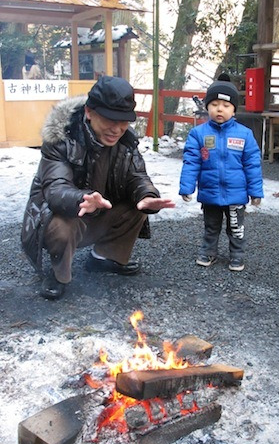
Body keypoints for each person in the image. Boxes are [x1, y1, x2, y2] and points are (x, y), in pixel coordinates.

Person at [21, 75, 175, 300]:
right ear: (89, 112)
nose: (117, 128)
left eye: (124, 121)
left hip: (101, 211)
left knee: (138, 207)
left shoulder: (126, 143)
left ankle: (104, 258)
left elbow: (137, 176)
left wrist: (147, 195)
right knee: (61, 226)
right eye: (110, 120)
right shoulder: (61, 139)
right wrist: (82, 199)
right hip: (67, 213)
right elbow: (55, 189)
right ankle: (58, 273)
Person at [179, 76, 263, 272]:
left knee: (236, 228)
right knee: (211, 227)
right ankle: (208, 252)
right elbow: (191, 162)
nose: (219, 109)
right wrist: (187, 186)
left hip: (236, 194)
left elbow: (252, 165)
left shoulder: (244, 134)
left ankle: (237, 255)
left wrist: (256, 192)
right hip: (210, 193)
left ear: (234, 109)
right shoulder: (198, 134)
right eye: (214, 104)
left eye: (225, 105)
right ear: (207, 107)